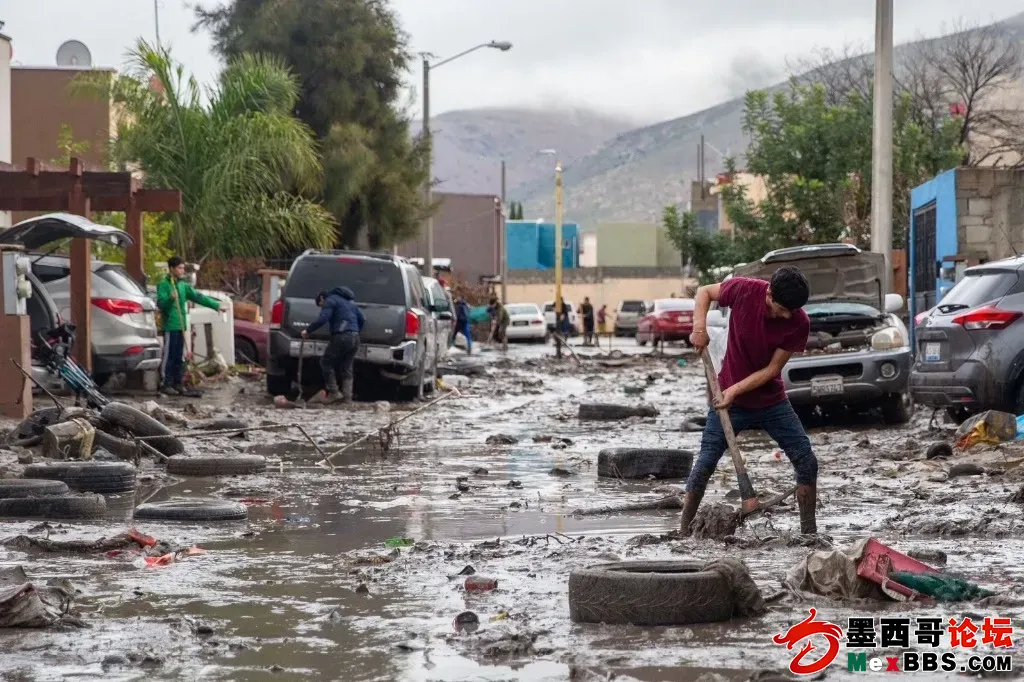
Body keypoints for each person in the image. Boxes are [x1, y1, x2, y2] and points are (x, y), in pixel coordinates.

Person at [682, 267, 818, 536]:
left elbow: (771, 370)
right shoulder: (744, 289)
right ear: (769, 293)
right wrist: (699, 328)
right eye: (782, 309)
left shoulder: (799, 322)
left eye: (793, 311)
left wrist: (735, 390)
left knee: (807, 461)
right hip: (728, 404)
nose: (787, 316)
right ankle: (683, 530)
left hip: (771, 403)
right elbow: (704, 292)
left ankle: (809, 533)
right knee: (706, 462)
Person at [157, 256, 221, 397]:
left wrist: (216, 305)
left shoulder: (182, 286)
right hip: (170, 326)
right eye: (179, 268)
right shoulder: (164, 285)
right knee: (170, 356)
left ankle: (178, 383)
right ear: (172, 268)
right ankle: (166, 383)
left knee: (179, 356)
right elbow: (161, 305)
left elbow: (198, 297)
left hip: (181, 326)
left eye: (183, 268)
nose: (182, 270)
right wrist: (170, 299)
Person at [302, 286, 364, 404]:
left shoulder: (330, 300)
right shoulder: (350, 302)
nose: (322, 308)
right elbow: (363, 318)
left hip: (342, 336)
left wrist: (308, 330)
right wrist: (354, 330)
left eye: (321, 306)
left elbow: (323, 319)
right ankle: (347, 399)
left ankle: (334, 392)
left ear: (321, 298)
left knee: (325, 362)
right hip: (355, 338)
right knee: (347, 367)